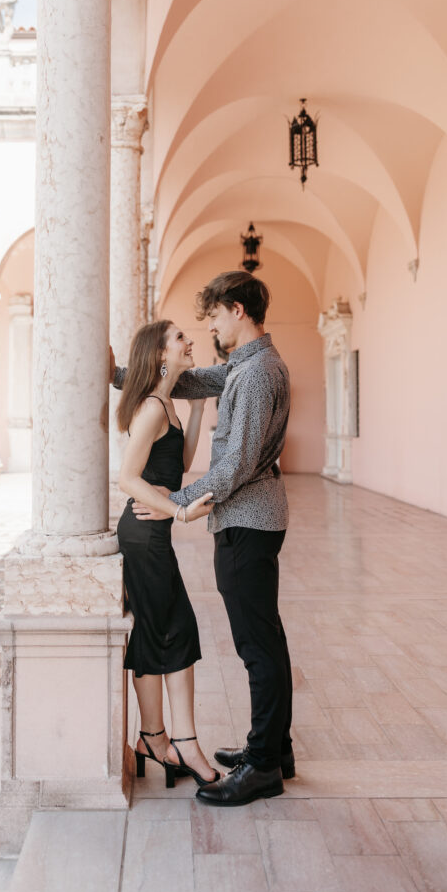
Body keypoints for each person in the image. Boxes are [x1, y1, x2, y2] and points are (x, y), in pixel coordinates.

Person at [114, 271, 293, 806]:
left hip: (248, 521)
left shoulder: (258, 373)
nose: (208, 326)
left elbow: (235, 462)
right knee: (262, 640)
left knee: (257, 646)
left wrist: (181, 506)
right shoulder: (244, 365)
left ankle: (264, 766)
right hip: (246, 519)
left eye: (214, 314)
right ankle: (272, 748)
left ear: (237, 310)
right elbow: (183, 381)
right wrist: (118, 372)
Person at [115, 319, 220, 789]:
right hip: (143, 534)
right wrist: (177, 512)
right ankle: (180, 742)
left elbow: (176, 467)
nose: (189, 340)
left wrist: (197, 410)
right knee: (175, 629)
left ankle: (154, 739)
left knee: (161, 631)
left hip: (152, 535)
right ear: (160, 353)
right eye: (179, 337)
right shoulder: (153, 408)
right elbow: (128, 479)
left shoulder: (168, 406)